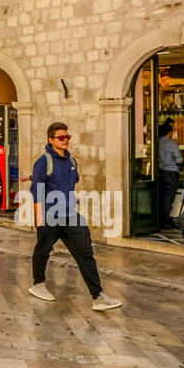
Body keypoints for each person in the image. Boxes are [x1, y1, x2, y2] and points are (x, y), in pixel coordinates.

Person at [28, 123, 122, 311]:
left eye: (67, 137)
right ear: (51, 140)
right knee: (43, 250)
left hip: (70, 215)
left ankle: (98, 296)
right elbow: (37, 191)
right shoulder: (43, 162)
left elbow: (70, 183)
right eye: (61, 137)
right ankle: (38, 284)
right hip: (49, 215)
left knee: (85, 252)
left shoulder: (72, 161)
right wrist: (39, 219)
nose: (65, 140)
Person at [157, 121, 184, 229]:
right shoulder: (172, 144)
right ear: (169, 132)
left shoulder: (157, 142)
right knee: (169, 196)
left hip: (160, 172)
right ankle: (166, 219)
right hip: (171, 172)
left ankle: (159, 218)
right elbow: (179, 160)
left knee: (162, 195)